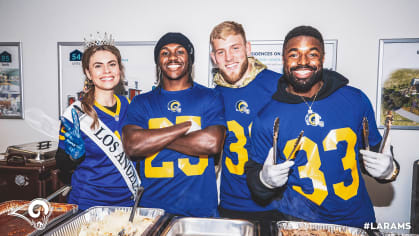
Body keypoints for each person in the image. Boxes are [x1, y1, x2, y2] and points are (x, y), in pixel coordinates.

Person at [245, 25, 400, 229]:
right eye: (294, 54)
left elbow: (376, 157)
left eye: (312, 54)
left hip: (357, 221)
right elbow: (255, 177)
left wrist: (390, 171)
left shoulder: (355, 100)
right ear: (284, 59)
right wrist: (264, 182)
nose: (302, 61)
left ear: (323, 58)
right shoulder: (266, 117)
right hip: (300, 224)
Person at [122, 32, 226, 217]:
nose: (172, 57)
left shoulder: (209, 96)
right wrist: (183, 127)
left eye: (180, 51)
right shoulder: (141, 102)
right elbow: (132, 146)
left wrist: (153, 136)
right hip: (152, 211)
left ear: (190, 59)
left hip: (201, 210)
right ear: (158, 62)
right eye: (165, 53)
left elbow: (212, 143)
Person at [56, 33, 141, 211]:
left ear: (120, 69)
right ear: (88, 72)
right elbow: (61, 163)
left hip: (128, 204)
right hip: (89, 204)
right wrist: (73, 157)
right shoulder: (75, 114)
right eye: (98, 66)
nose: (107, 71)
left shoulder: (131, 107)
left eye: (112, 64)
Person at [209, 21, 282, 227]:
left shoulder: (278, 86)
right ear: (214, 58)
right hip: (231, 204)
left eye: (235, 48)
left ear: (248, 48)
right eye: (221, 52)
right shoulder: (214, 95)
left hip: (276, 204)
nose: (229, 57)